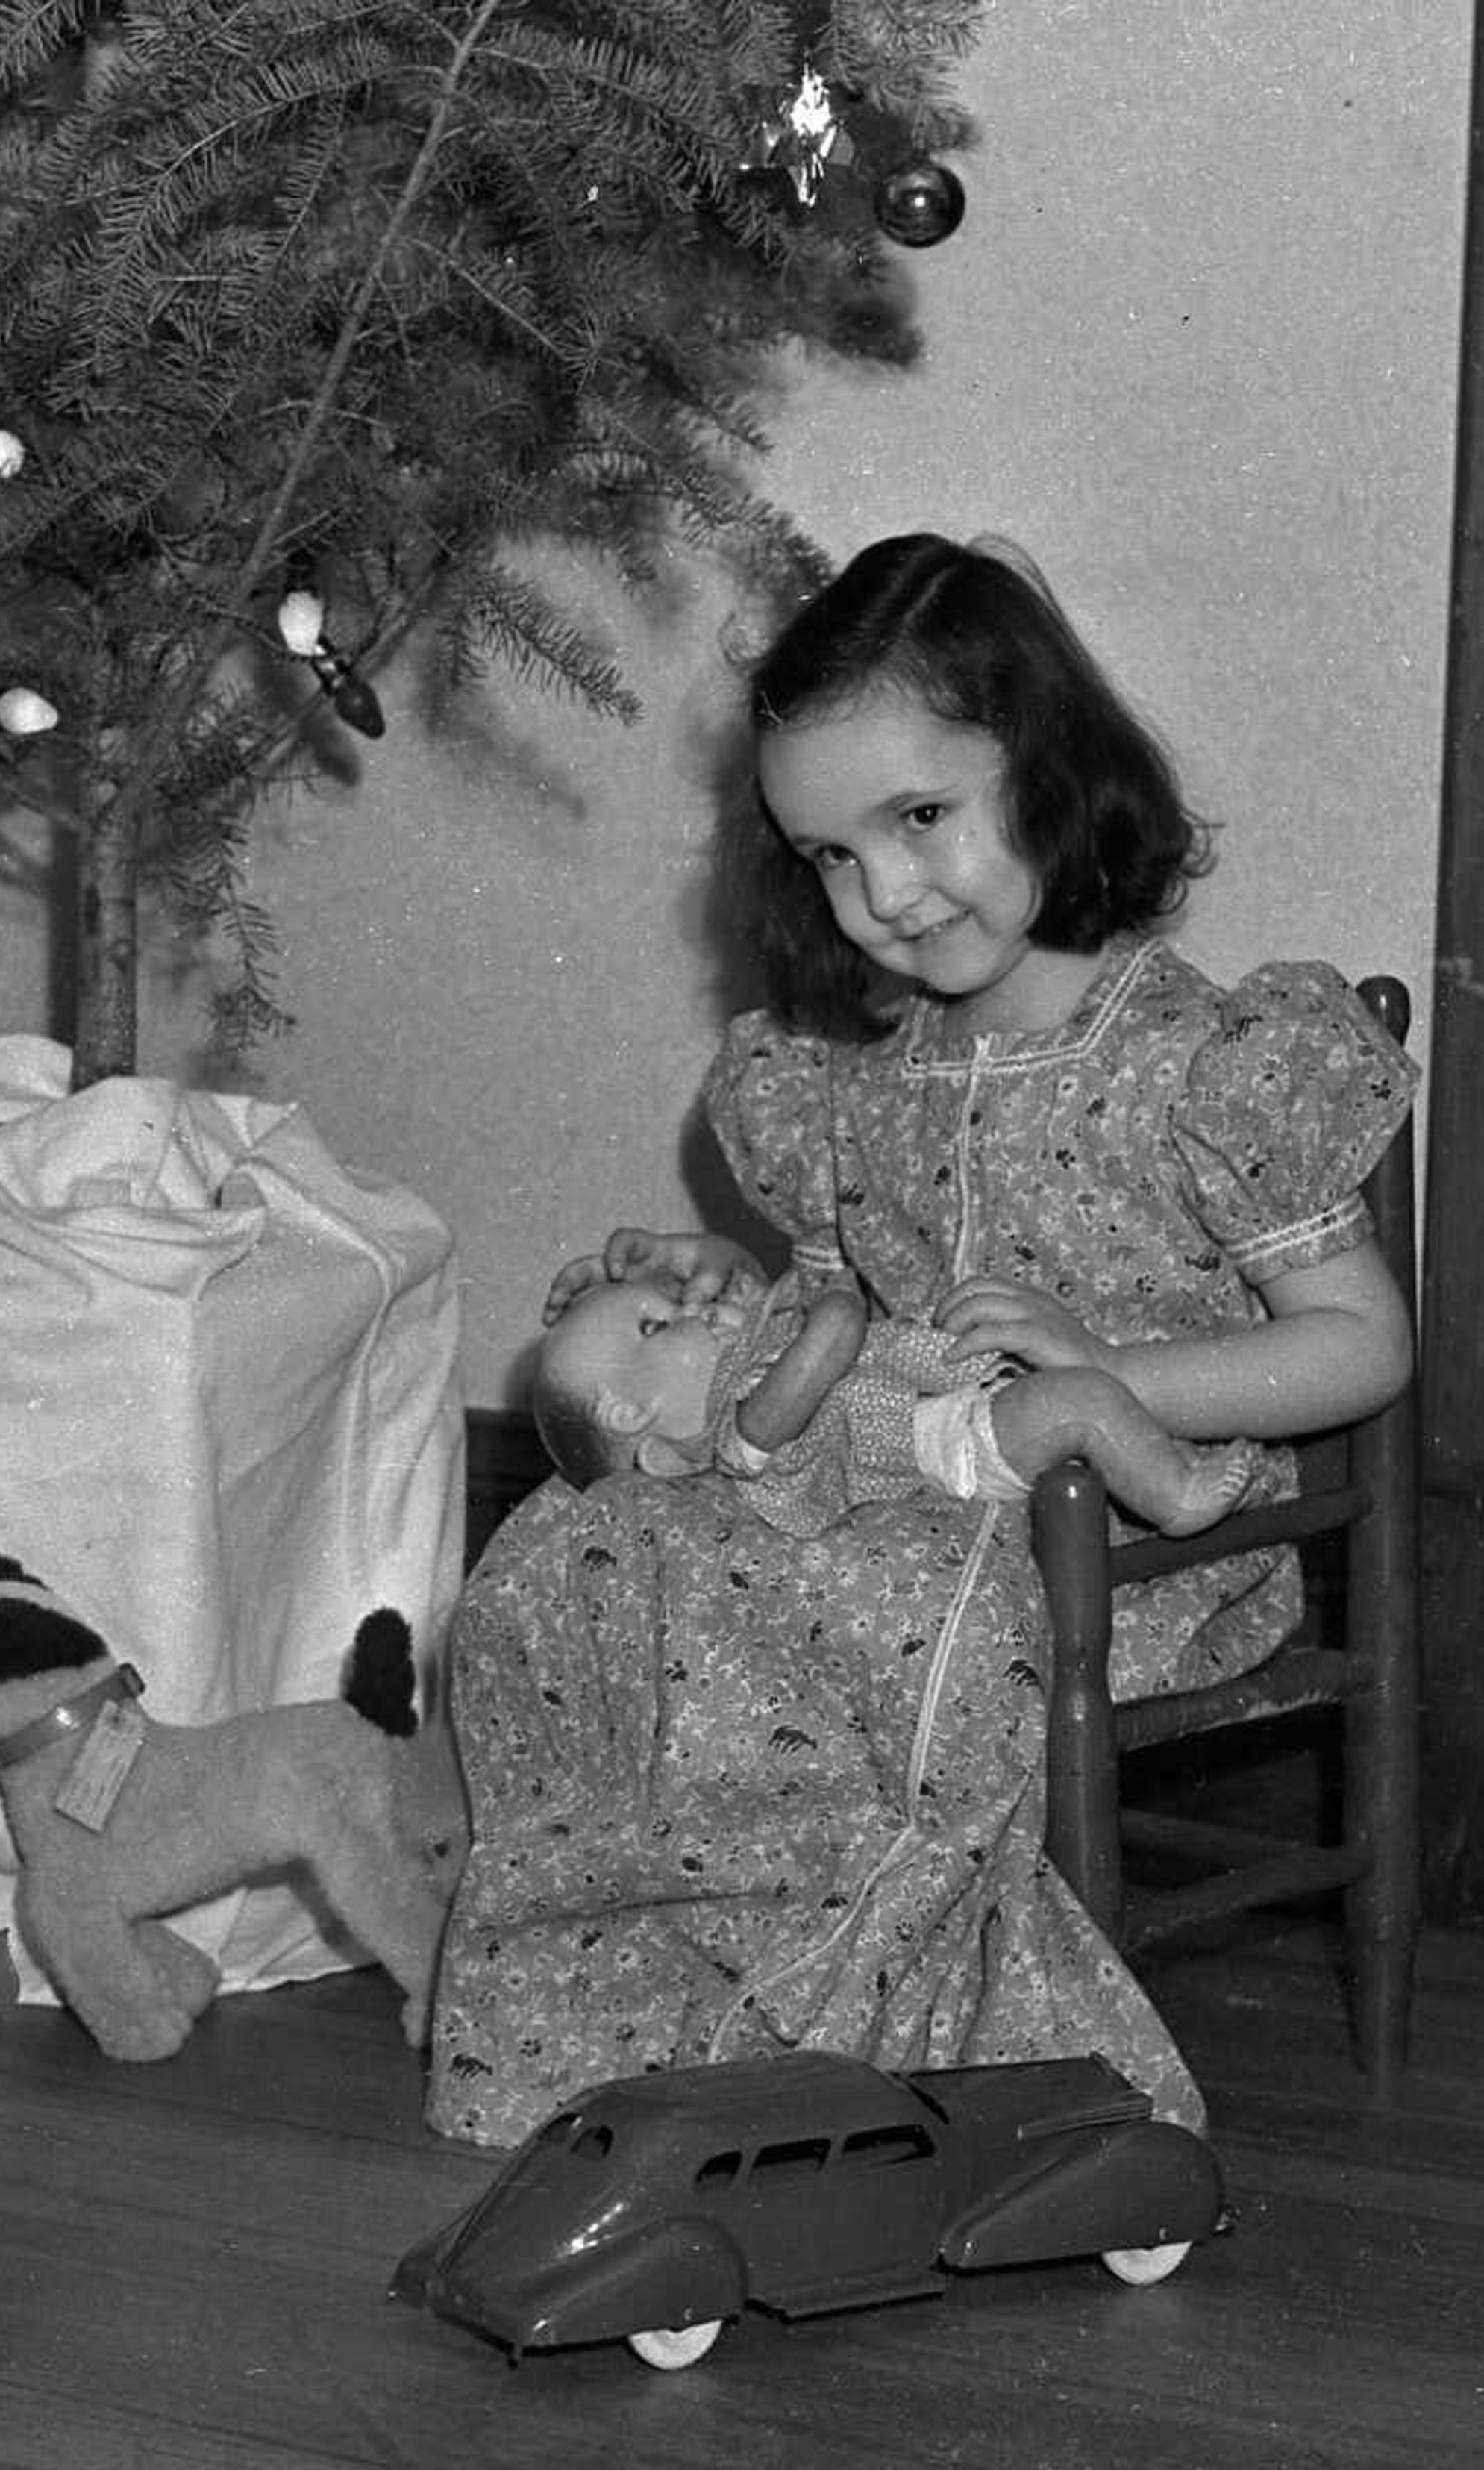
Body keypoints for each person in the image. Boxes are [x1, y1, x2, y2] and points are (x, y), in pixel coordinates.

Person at [431, 532, 1415, 2148]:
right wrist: (716, 1296)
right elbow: (835, 1318)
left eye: (920, 818)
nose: (884, 894)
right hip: (915, 1509)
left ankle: (882, 2011)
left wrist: (1100, 1376)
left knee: (836, 1621)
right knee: (586, 1551)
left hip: (1151, 1532)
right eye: (827, 854)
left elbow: (1356, 1346)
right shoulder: (849, 1080)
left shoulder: (1202, 1066)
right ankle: (662, 1979)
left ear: (1047, 765)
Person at [533, 1260, 1264, 1539]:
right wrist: (831, 1318)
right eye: (655, 1325)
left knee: (1069, 1371)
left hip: (948, 1398)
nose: (689, 1307)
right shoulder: (741, 1435)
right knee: (1080, 1399)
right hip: (936, 1446)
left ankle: (1162, 1454)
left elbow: (761, 1287)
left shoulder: (750, 1354)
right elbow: (819, 1358)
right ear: (633, 1417)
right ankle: (1175, 1495)